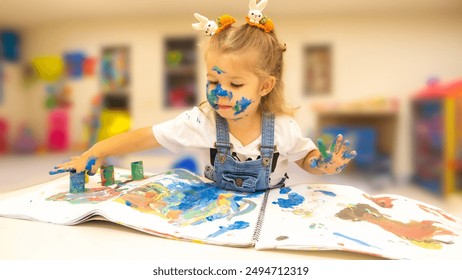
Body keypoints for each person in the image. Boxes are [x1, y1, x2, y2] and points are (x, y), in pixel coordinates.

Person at [56, 0, 356, 192]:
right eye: (213, 80)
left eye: (236, 84)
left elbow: (306, 158)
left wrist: (324, 164)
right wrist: (95, 152)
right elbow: (147, 136)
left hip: (269, 217)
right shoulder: (201, 121)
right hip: (216, 214)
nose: (221, 93)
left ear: (265, 86)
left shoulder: (283, 126)